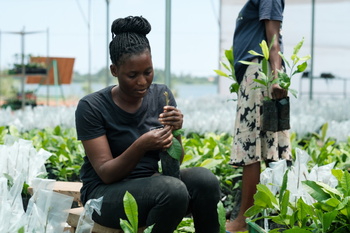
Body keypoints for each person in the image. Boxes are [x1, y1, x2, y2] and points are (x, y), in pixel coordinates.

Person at [75, 16, 220, 233]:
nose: (142, 82)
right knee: (173, 191)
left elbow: (176, 161)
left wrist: (176, 131)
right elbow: (106, 173)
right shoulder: (92, 107)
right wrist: (141, 145)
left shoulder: (162, 95)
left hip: (152, 185)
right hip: (103, 195)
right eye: (132, 75)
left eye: (148, 72)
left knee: (205, 180)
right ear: (114, 70)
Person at [226, 0, 291, 232]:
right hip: (257, 73)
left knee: (252, 145)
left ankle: (244, 219)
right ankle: (275, 216)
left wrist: (274, 75)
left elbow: (272, 37)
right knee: (268, 145)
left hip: (259, 73)